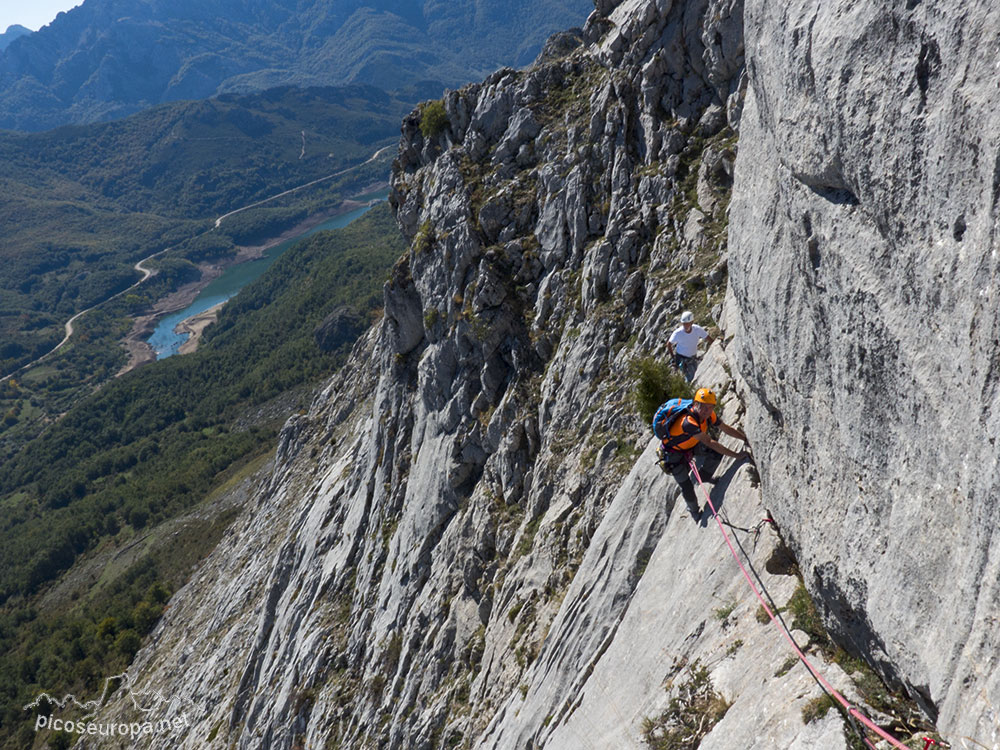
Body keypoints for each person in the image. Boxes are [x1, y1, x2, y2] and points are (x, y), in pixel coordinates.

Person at [657, 387, 749, 521]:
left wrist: (744, 438)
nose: (707, 412)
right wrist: (737, 455)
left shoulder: (708, 415)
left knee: (715, 454)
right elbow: (709, 442)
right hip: (673, 455)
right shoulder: (688, 422)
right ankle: (694, 512)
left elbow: (724, 428)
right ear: (695, 405)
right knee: (687, 486)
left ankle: (704, 476)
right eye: (704, 408)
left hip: (691, 444)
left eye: (710, 408)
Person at [667, 311, 713, 382]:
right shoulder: (678, 333)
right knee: (690, 378)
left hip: (692, 357)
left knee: (694, 375)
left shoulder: (697, 329)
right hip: (681, 358)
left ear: (692, 322)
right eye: (684, 324)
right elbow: (669, 344)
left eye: (687, 324)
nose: (685, 326)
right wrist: (673, 358)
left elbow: (707, 338)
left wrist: (715, 344)